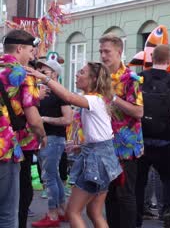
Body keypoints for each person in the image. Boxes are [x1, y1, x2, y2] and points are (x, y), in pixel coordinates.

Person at [27, 62, 122, 228]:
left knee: (73, 212)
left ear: (93, 79)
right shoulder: (97, 100)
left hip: (97, 159)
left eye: (82, 72)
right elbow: (102, 134)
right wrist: (81, 146)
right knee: (95, 212)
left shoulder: (92, 99)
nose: (77, 74)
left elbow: (68, 97)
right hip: (103, 156)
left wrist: (44, 77)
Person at [135, 45, 170, 228]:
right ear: (169, 60)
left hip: (142, 139)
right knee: (169, 178)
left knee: (140, 181)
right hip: (165, 140)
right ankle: (167, 211)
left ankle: (136, 216)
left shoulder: (142, 76)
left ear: (152, 58)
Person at [0, 30, 46, 227]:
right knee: (7, 212)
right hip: (5, 148)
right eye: (30, 50)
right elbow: (34, 119)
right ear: (19, 48)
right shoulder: (22, 73)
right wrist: (42, 136)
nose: (32, 55)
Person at [99, 34, 144, 228]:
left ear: (119, 52)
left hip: (126, 145)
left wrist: (113, 98)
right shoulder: (100, 77)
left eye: (107, 51)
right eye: (101, 51)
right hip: (105, 143)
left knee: (125, 194)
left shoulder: (131, 78)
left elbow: (139, 111)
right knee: (108, 195)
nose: (103, 55)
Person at [32, 60, 73, 227]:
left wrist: (44, 119)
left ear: (55, 74)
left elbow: (68, 118)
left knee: (48, 177)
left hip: (54, 139)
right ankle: (63, 211)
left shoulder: (60, 93)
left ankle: (52, 215)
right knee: (53, 176)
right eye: (40, 71)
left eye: (45, 71)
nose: (41, 73)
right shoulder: (41, 91)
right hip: (44, 139)